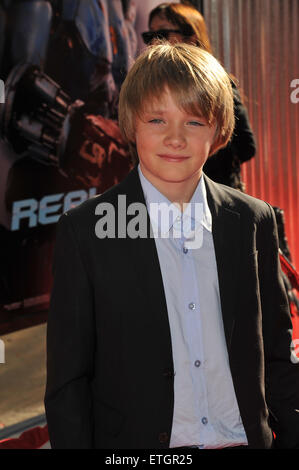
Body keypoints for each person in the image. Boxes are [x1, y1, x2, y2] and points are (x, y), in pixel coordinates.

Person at [44, 42, 299, 449]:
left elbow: (277, 355)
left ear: (218, 132)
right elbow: (68, 382)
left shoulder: (253, 220)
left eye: (194, 122)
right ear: (132, 125)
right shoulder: (86, 231)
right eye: (157, 120)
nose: (175, 138)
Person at [143, 2, 256, 191]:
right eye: (149, 36)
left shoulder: (216, 84)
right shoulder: (146, 85)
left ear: (192, 38)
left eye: (162, 35)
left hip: (212, 198)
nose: (155, 42)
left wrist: (196, 157)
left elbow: (246, 146)